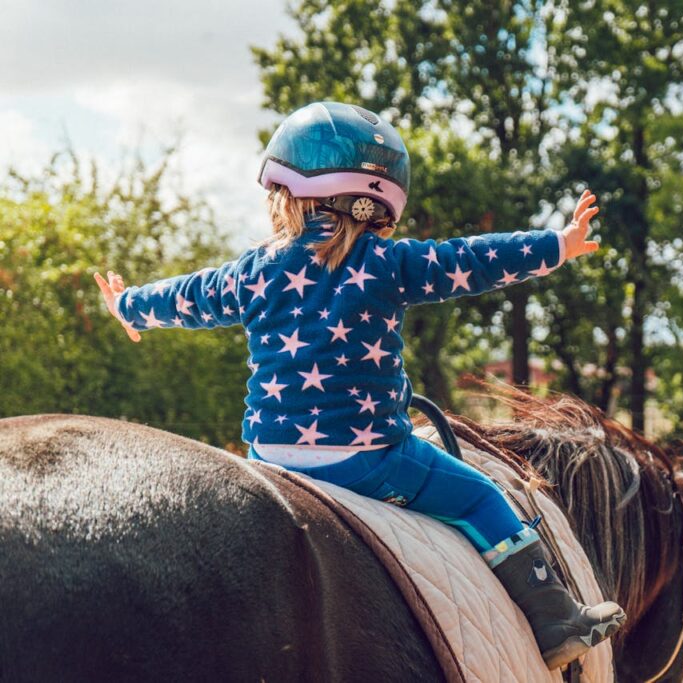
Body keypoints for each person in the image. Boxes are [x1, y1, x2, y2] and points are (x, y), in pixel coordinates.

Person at [94, 101, 624, 668]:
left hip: (269, 459)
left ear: (285, 193)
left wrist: (129, 306)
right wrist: (558, 246)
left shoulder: (253, 269)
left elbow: (191, 296)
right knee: (480, 496)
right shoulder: (387, 262)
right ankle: (554, 620)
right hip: (368, 459)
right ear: (380, 204)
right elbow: (472, 259)